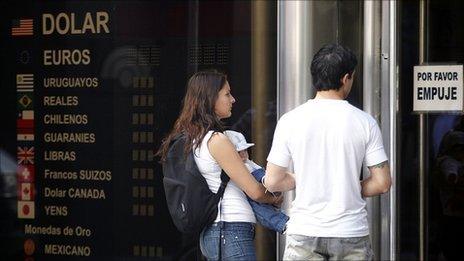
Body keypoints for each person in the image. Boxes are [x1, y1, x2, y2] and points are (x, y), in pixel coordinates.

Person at [263, 43, 392, 260]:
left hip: (304, 230)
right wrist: (345, 186)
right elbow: (382, 183)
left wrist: (306, 180)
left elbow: (273, 181)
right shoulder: (365, 122)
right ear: (345, 78)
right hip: (350, 232)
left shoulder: (290, 120)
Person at [158, 70, 279, 261]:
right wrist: (274, 199)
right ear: (210, 99)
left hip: (218, 232)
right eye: (227, 94)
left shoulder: (195, 139)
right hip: (230, 231)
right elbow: (254, 191)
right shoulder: (217, 140)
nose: (233, 100)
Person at [225, 130, 289, 234]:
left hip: (266, 189)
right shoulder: (239, 166)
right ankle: (281, 222)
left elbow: (264, 177)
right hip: (256, 195)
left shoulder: (249, 163)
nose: (243, 155)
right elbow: (259, 181)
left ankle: (282, 220)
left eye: (245, 151)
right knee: (258, 208)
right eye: (238, 152)